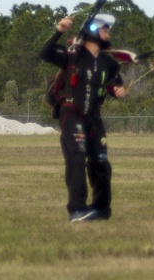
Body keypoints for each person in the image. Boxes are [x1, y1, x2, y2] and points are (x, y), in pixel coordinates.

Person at [39, 12, 127, 222]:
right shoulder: (72, 55)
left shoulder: (109, 63)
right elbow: (45, 53)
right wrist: (59, 31)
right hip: (71, 115)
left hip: (94, 119)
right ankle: (77, 210)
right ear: (93, 32)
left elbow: (116, 84)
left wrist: (118, 91)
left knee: (101, 163)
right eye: (104, 29)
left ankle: (101, 209)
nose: (108, 33)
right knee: (77, 158)